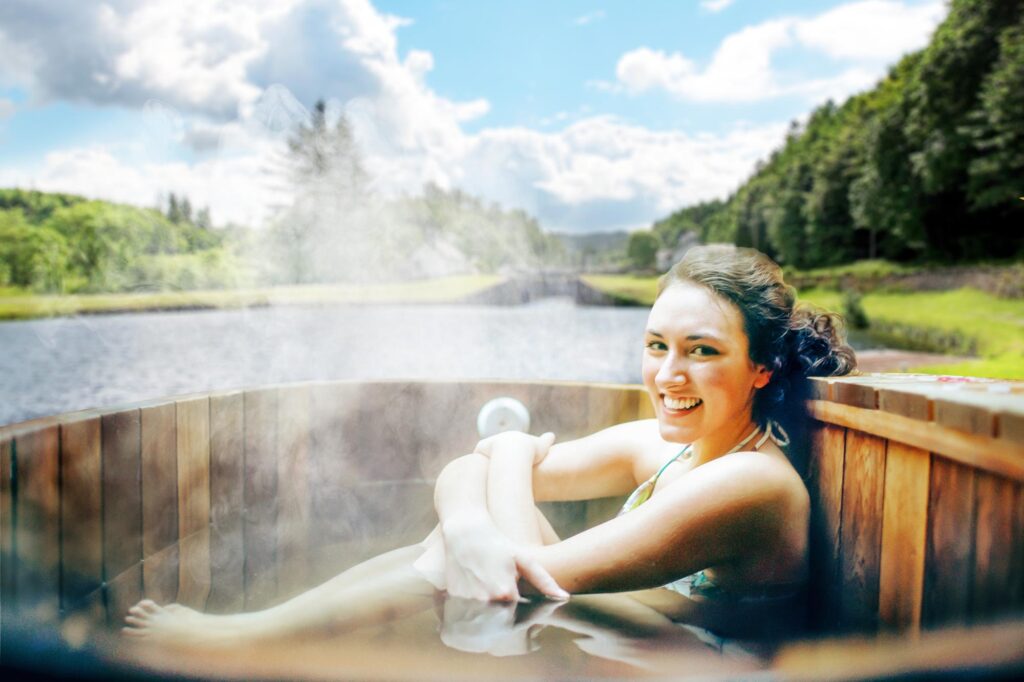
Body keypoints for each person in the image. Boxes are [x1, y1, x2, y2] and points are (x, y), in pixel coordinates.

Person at [123, 244, 855, 654]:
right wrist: (474, 518)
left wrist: (506, 453)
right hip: (629, 640)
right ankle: (254, 638)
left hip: (701, 671)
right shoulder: (663, 445)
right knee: (457, 538)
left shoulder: (751, 482)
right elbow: (463, 473)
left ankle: (241, 642)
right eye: (656, 345)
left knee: (469, 560)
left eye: (702, 351)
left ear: (760, 366)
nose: (668, 374)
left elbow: (535, 576)